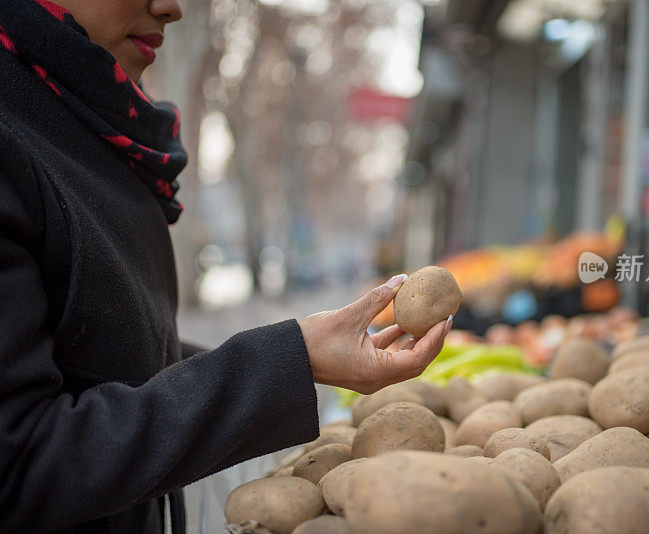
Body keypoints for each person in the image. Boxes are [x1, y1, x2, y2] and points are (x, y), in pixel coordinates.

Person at [0, 0, 451, 532]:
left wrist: (285, 362)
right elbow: (19, 465)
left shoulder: (83, 118)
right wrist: (290, 362)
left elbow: (102, 356)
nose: (170, 7)